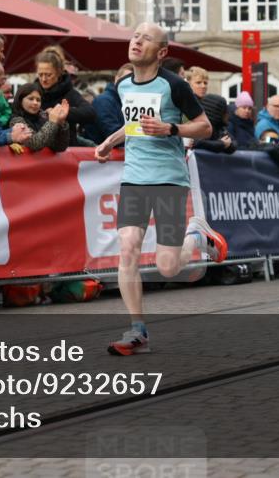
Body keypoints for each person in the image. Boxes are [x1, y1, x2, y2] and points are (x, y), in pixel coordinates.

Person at [94, 22, 226, 356]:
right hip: (135, 177)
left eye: (145, 39)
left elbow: (205, 127)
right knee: (128, 248)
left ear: (162, 52)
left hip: (168, 178)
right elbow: (132, 123)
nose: (136, 42)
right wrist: (109, 142)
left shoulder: (175, 86)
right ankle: (137, 330)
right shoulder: (123, 86)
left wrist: (171, 128)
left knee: (168, 267)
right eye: (135, 36)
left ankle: (197, 236)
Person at [35, 48, 96, 144]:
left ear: (59, 72)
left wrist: (63, 112)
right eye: (40, 74)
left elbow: (90, 113)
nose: (43, 79)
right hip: (38, 148)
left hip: (66, 150)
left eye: (48, 75)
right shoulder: (33, 91)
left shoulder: (69, 92)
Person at [8, 83, 71, 153]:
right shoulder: (16, 120)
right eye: (31, 99)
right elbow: (35, 144)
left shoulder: (43, 117)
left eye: (38, 100)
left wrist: (61, 122)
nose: (35, 103)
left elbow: (60, 147)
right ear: (20, 100)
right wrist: (52, 122)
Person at [187, 66, 233, 153]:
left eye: (205, 83)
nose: (203, 86)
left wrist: (225, 143)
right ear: (189, 83)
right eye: (198, 83)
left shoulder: (206, 105)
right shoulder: (185, 103)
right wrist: (221, 144)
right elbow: (192, 141)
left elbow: (218, 134)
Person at [83, 63, 131, 145]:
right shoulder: (104, 101)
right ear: (116, 79)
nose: (128, 84)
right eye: (125, 79)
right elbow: (113, 135)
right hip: (100, 154)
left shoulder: (126, 101)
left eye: (133, 81)